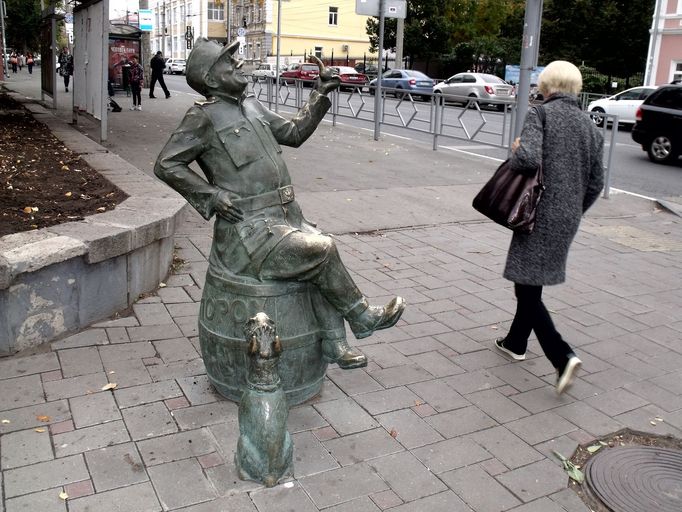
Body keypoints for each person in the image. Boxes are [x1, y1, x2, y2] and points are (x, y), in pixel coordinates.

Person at [154, 38, 405, 369]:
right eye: (230, 63)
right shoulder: (202, 117)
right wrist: (212, 196)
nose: (240, 64)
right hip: (249, 232)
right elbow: (166, 164)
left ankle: (335, 343)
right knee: (321, 250)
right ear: (212, 79)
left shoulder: (252, 105)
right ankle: (360, 319)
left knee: (316, 254)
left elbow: (294, 132)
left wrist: (321, 93)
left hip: (285, 217)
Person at [493, 61, 604, 395]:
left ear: (547, 86)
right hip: (567, 216)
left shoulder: (540, 114)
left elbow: (526, 159)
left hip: (537, 212)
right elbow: (597, 182)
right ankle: (515, 341)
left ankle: (561, 355)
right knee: (532, 278)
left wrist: (515, 150)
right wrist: (573, 210)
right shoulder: (590, 126)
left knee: (525, 284)